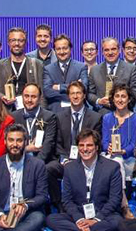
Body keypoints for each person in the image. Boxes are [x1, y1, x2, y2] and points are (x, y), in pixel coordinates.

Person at [46, 130, 123, 231]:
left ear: (97, 147)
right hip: (79, 214)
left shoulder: (112, 167)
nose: (85, 149)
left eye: (89, 145)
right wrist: (79, 219)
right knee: (51, 219)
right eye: (81, 145)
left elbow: (115, 199)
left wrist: (96, 219)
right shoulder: (69, 168)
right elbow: (67, 200)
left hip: (102, 214)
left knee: (117, 222)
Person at [0, 124, 48, 231]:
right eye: (11, 140)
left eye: (19, 140)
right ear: (5, 141)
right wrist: (0, 215)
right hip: (3, 213)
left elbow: (42, 196)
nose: (15, 144)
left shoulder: (38, 165)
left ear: (26, 142)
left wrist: (25, 206)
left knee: (38, 218)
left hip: (27, 214)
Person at [48, 81, 102, 210]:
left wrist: (81, 159)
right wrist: (64, 159)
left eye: (78, 93)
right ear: (68, 96)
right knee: (48, 169)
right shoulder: (59, 117)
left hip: (87, 160)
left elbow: (96, 143)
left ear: (84, 96)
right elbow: (58, 142)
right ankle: (58, 204)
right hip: (65, 159)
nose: (75, 96)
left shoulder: (95, 117)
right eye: (72, 93)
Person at [100, 84, 136, 205]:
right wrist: (109, 147)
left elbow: (135, 144)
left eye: (123, 96)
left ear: (129, 99)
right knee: (115, 160)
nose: (120, 99)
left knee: (118, 160)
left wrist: (123, 151)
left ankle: (122, 203)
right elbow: (104, 141)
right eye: (117, 96)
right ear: (112, 99)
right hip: (110, 156)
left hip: (129, 159)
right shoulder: (107, 118)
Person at [0, 27, 45, 111]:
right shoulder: (0, 65)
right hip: (6, 112)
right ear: (8, 43)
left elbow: (42, 93)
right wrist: (2, 97)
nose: (17, 43)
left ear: (26, 43)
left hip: (31, 111)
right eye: (13, 40)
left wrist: (42, 114)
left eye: (20, 40)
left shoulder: (37, 64)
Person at [87, 37, 136, 111]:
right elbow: (89, 93)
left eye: (113, 49)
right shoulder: (94, 70)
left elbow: (135, 93)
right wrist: (99, 101)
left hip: (124, 113)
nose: (110, 53)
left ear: (119, 50)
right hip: (100, 114)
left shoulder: (131, 69)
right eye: (106, 50)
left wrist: (121, 103)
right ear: (102, 52)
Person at [11, 83, 57, 163]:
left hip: (42, 161)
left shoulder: (49, 117)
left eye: (33, 97)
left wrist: (34, 165)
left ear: (39, 99)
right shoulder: (14, 116)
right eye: (26, 96)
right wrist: (26, 148)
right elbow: (10, 145)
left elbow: (48, 145)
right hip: (18, 160)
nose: (29, 100)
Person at [43, 34, 89, 111]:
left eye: (65, 48)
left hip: (78, 109)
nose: (62, 52)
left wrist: (59, 87)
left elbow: (84, 88)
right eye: (58, 49)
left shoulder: (81, 67)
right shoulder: (48, 69)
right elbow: (47, 91)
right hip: (55, 111)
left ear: (70, 49)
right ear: (54, 50)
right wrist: (73, 94)